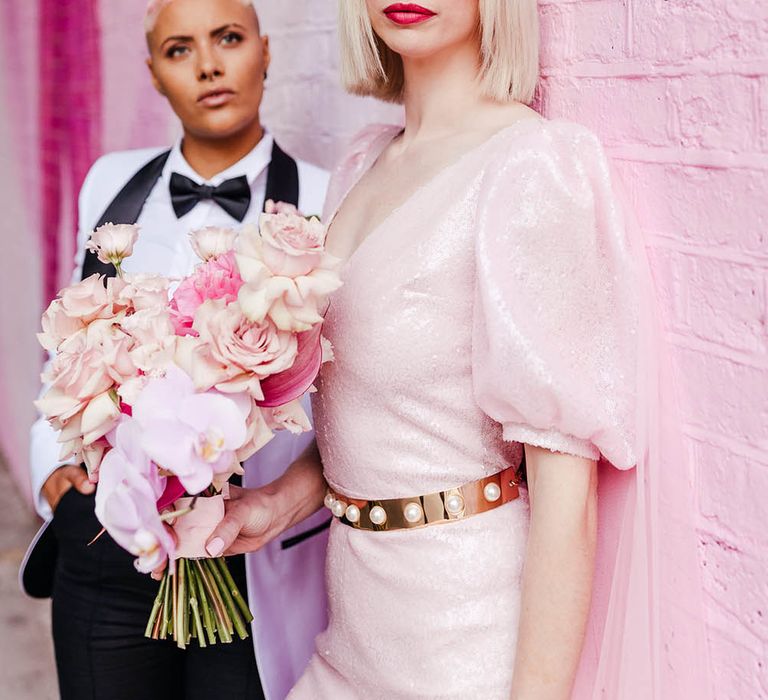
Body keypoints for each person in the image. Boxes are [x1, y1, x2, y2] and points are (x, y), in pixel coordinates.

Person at [200, 1, 712, 698]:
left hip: (466, 653)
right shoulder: (361, 164)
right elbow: (378, 419)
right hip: (350, 640)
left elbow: (567, 503)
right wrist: (274, 505)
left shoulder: (532, 167)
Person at [23, 1, 330, 699]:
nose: (210, 65)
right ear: (156, 73)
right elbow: (74, 336)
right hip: (108, 540)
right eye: (179, 49)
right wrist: (52, 473)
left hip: (246, 553)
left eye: (227, 38)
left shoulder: (323, 197)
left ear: (265, 49)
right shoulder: (109, 183)